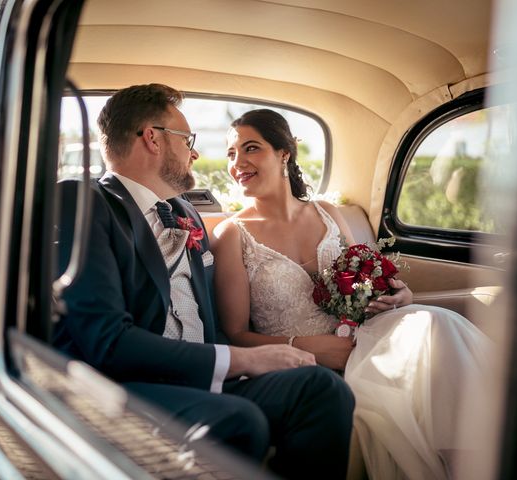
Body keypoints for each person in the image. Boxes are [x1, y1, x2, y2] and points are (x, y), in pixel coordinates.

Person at [53, 84, 355, 480]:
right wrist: (242, 359)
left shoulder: (186, 215)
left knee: (322, 389)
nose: (195, 153)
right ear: (153, 138)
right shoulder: (85, 202)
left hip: (203, 376)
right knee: (238, 419)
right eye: (187, 139)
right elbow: (107, 341)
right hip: (128, 386)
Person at [212, 109, 494, 480]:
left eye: (251, 148)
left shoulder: (327, 213)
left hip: (367, 336)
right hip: (305, 362)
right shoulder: (233, 235)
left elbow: (366, 282)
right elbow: (236, 335)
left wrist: (398, 296)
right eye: (231, 153)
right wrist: (307, 346)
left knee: (436, 324)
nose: (238, 163)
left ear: (285, 153)